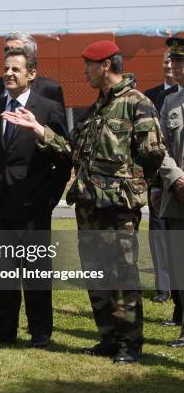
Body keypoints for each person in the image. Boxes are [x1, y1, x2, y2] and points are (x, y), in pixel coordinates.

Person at [66, 40, 165, 363]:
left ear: (106, 65)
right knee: (95, 273)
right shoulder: (98, 107)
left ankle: (130, 343)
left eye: (89, 66)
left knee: (122, 273)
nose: (85, 71)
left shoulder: (137, 103)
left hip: (119, 205)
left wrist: (133, 185)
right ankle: (108, 337)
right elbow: (76, 150)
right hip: (89, 204)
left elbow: (152, 153)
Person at [0, 47, 71, 347]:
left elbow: (65, 159)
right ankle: (4, 329)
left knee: (35, 271)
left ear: (31, 74)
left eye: (15, 69)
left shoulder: (47, 108)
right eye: (6, 68)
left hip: (32, 204)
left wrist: (48, 199)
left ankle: (40, 331)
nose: (8, 73)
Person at [155, 36, 184, 348]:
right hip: (178, 197)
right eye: (173, 61)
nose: (174, 66)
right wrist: (176, 178)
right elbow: (159, 147)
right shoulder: (171, 103)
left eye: (180, 61)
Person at [145, 50, 179, 304]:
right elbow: (153, 144)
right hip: (162, 180)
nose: (169, 64)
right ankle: (163, 287)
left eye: (174, 60)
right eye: (166, 60)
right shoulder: (151, 97)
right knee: (159, 233)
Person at [0, 31, 65, 113]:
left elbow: (57, 128)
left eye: (16, 50)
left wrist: (38, 128)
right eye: (6, 49)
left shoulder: (50, 90)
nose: (9, 53)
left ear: (30, 55)